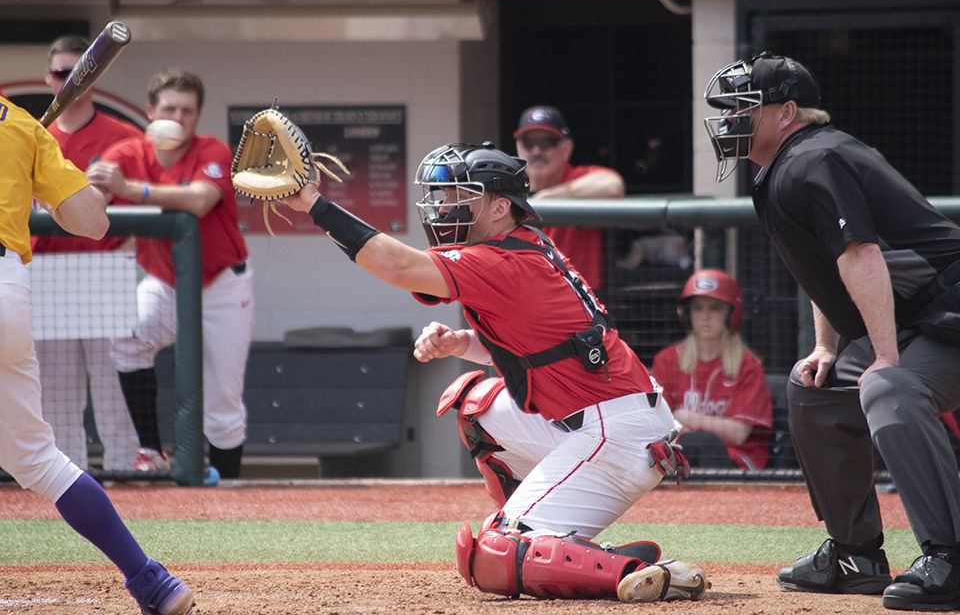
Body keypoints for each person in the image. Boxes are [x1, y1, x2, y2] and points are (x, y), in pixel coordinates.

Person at [281, 141, 707, 603]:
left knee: (491, 556)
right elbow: (538, 348)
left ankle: (633, 570)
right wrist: (461, 343)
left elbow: (396, 264)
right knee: (474, 403)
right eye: (443, 197)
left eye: (460, 197)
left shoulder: (504, 259)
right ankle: (543, 530)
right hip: (598, 421)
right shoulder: (517, 247)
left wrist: (312, 204)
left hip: (617, 434)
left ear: (501, 207)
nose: (444, 208)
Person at [704, 52, 960, 611]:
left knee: (888, 387)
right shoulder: (780, 166)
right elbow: (827, 267)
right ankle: (855, 553)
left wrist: (885, 356)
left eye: (744, 108)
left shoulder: (813, 158)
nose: (730, 120)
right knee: (813, 388)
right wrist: (827, 345)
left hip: (947, 311)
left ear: (786, 112)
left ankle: (951, 556)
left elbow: (861, 254)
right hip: (916, 318)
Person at [0, 94, 194, 615]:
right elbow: (93, 220)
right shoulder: (20, 124)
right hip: (8, 288)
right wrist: (33, 171)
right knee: (38, 460)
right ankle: (152, 581)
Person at [86, 67, 253, 479]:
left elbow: (199, 201)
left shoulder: (212, 150)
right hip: (164, 281)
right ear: (150, 111)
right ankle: (151, 450)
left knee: (223, 406)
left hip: (222, 285)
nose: (177, 118)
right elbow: (95, 197)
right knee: (127, 337)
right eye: (169, 109)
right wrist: (89, 185)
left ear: (198, 116)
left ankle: (228, 489)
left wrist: (131, 191)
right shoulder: (127, 154)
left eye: (187, 111)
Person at [32, 34, 141, 472]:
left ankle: (125, 480)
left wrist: (124, 260)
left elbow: (142, 214)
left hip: (104, 270)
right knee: (57, 394)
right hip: (47, 272)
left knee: (114, 388)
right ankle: (71, 486)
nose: (69, 81)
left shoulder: (125, 138)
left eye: (77, 72)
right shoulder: (32, 137)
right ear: (48, 77)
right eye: (61, 73)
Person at [652, 269, 772, 470]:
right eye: (698, 308)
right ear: (687, 314)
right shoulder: (667, 360)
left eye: (715, 308)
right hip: (685, 452)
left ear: (731, 313)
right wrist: (712, 427)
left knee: (705, 443)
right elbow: (658, 423)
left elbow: (739, 433)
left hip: (734, 461)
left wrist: (689, 418)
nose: (705, 316)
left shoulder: (748, 364)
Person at [514, 105, 624, 290]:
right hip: (525, 302)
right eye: (528, 143)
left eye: (546, 143)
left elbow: (614, 185)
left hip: (580, 306)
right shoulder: (508, 187)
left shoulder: (578, 179)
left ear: (567, 147)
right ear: (518, 147)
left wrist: (553, 196)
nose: (536, 151)